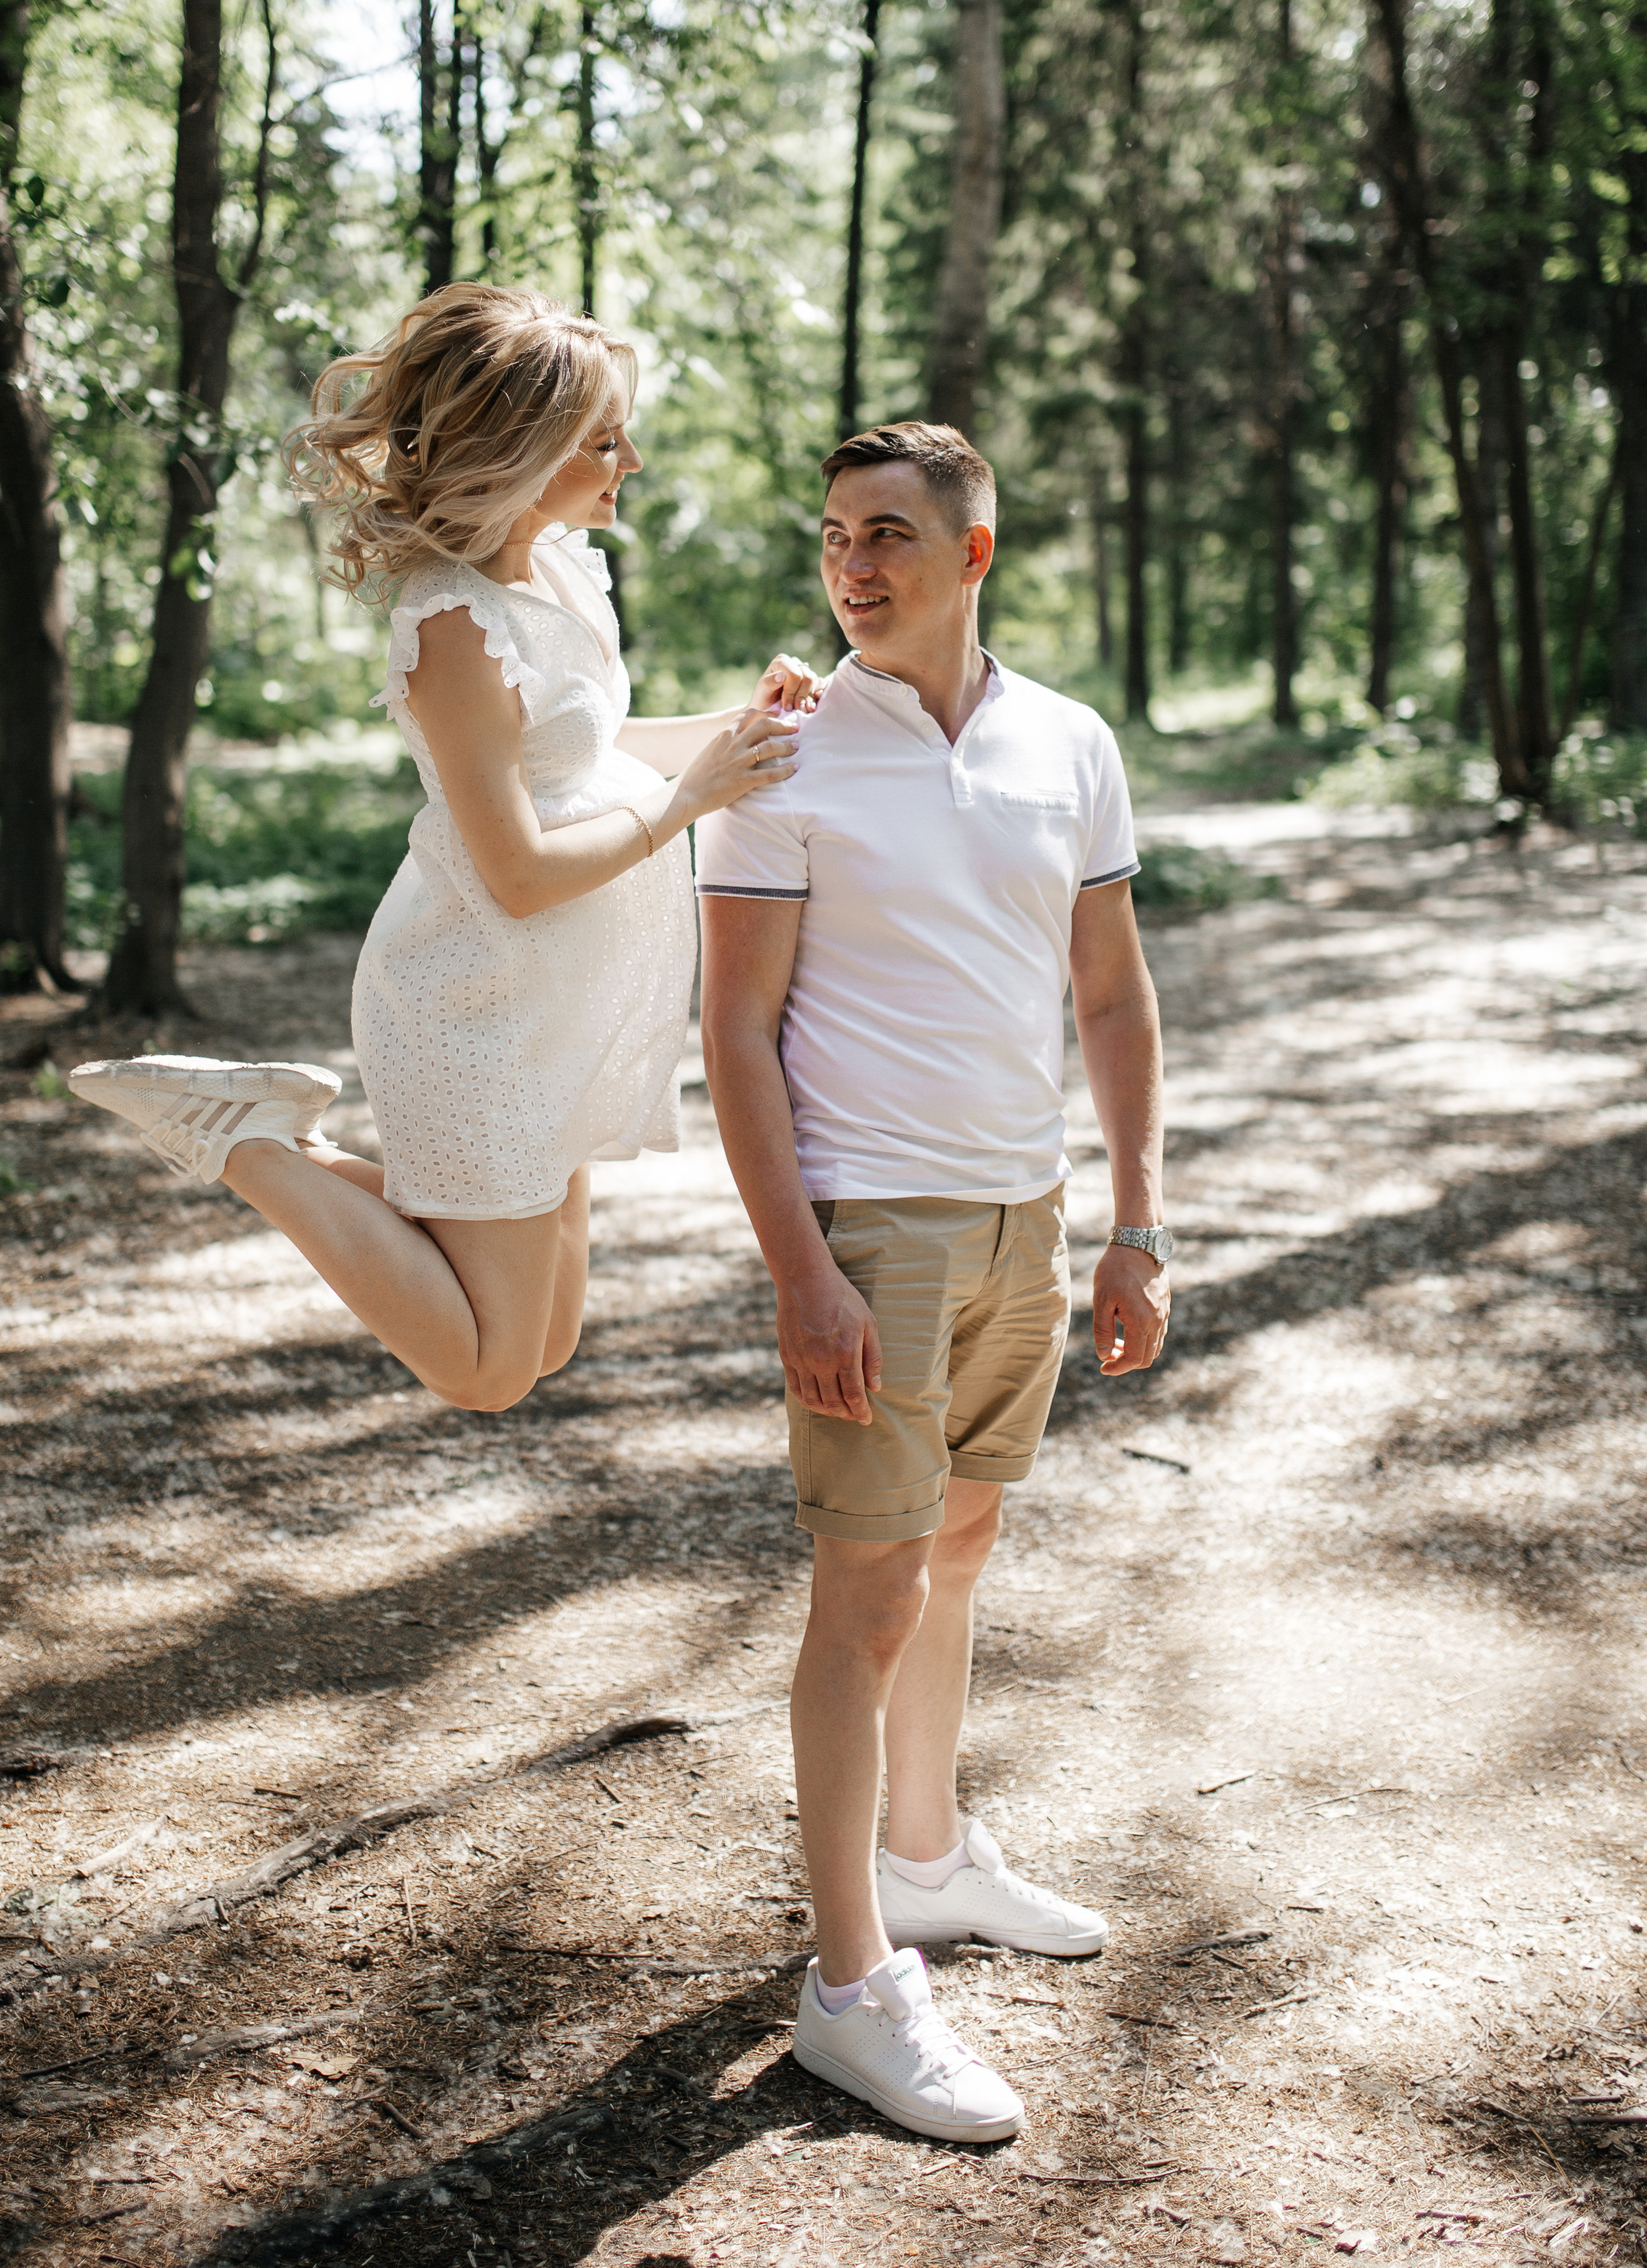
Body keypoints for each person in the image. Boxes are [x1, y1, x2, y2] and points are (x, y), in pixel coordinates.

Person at [72, 282, 814, 1413]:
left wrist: (735, 728)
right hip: (478, 1010)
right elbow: (515, 874)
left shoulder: (553, 565)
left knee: (548, 1340)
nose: (632, 459)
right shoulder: (454, 625)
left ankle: (274, 1129)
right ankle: (252, 1150)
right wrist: (690, 805)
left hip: (554, 1013)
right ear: (527, 453)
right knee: (485, 1368)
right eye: (605, 440)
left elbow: (590, 751)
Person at [697, 420, 1171, 2146]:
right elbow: (733, 1031)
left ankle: (926, 1861)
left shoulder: (1068, 742)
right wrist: (799, 1269)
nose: (853, 564)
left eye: (888, 532)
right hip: (869, 1230)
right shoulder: (786, 754)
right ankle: (848, 1989)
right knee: (867, 1599)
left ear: (973, 553)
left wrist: (1133, 1220)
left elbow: (1108, 998)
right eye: (834, 534)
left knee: (956, 1550)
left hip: (1023, 1221)